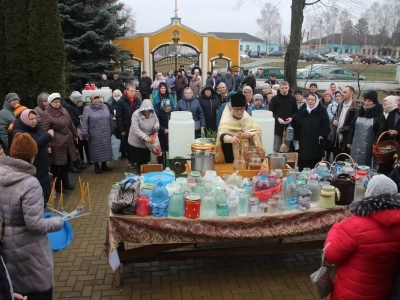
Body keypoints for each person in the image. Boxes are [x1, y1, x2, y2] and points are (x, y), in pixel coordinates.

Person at [0, 132, 64, 299]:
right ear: (33, 154)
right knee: (39, 290)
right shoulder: (30, 182)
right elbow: (34, 224)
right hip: (29, 247)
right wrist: (58, 222)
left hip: (6, 243)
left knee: (15, 288)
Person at [324, 174, 400, 300]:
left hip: (351, 292)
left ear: (369, 193)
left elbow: (331, 255)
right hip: (383, 291)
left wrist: (337, 227)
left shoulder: (354, 225)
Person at [12, 109, 53, 206]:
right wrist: (48, 136)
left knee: (44, 197)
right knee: (36, 201)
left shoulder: (35, 128)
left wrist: (47, 146)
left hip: (42, 167)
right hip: (34, 168)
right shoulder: (20, 133)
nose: (34, 121)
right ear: (25, 119)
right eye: (31, 119)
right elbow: (34, 145)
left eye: (35, 118)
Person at [41, 93, 78, 192]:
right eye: (55, 102)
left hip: (68, 142)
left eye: (58, 101)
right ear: (50, 103)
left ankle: (66, 183)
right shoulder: (46, 114)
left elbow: (70, 123)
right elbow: (45, 130)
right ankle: (58, 186)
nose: (57, 104)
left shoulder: (64, 110)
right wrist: (48, 145)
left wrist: (76, 135)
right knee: (57, 166)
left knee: (66, 165)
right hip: (56, 144)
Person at [215, 93, 262, 164]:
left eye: (242, 109)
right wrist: (230, 138)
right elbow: (221, 133)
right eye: (236, 109)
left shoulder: (247, 118)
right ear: (232, 108)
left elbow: (257, 131)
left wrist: (248, 134)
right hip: (230, 151)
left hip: (246, 152)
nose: (239, 112)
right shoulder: (226, 119)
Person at [347, 90, 386, 167]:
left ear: (374, 102)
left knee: (366, 166)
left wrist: (375, 145)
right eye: (365, 100)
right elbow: (352, 126)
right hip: (355, 144)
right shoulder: (359, 112)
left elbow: (380, 131)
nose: (367, 103)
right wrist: (349, 141)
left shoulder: (379, 116)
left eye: (369, 101)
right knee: (353, 164)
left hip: (369, 146)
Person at [295, 93, 330, 170]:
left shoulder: (322, 109)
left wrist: (322, 134)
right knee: (303, 155)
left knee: (315, 155)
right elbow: (298, 122)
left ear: (316, 101)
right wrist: (297, 136)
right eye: (309, 100)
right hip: (304, 136)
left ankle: (314, 173)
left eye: (312, 100)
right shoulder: (303, 108)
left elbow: (326, 123)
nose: (310, 102)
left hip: (316, 138)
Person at [81, 92, 113, 174]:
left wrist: (111, 129)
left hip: (105, 132)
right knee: (96, 150)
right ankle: (96, 166)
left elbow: (110, 118)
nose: (97, 100)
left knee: (105, 149)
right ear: (91, 100)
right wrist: (85, 134)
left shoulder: (105, 106)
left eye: (98, 98)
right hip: (94, 134)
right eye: (95, 98)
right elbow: (84, 122)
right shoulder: (87, 109)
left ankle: (104, 165)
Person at [128, 99, 159, 170]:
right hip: (137, 141)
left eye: (148, 110)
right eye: (145, 110)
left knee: (146, 158)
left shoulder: (153, 113)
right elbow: (135, 128)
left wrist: (156, 126)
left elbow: (157, 121)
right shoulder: (136, 114)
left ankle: (144, 169)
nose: (147, 112)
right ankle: (140, 170)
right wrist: (144, 136)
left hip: (147, 140)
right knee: (139, 158)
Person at [116, 84, 141, 168]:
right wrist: (122, 129)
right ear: (126, 91)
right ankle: (131, 161)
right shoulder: (121, 102)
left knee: (137, 144)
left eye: (134, 91)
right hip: (127, 127)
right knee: (129, 145)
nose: (133, 93)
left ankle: (137, 160)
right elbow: (119, 116)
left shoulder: (138, 101)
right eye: (131, 91)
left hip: (136, 127)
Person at [269, 81, 298, 152]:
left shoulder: (293, 98)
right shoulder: (275, 99)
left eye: (286, 88)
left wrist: (291, 118)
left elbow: (296, 111)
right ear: (279, 88)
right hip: (277, 127)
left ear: (289, 88)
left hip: (289, 127)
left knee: (286, 148)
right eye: (282, 88)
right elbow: (271, 112)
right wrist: (278, 119)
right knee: (276, 147)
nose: (284, 90)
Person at [332, 86, 359, 159]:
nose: (342, 94)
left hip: (346, 139)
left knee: (345, 160)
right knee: (336, 159)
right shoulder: (340, 104)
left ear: (351, 93)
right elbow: (335, 115)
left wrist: (341, 130)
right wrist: (334, 120)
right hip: (337, 139)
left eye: (345, 92)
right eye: (342, 92)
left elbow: (353, 124)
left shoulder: (355, 108)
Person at [62, 91, 84, 173]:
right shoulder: (68, 107)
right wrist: (79, 120)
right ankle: (72, 166)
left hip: (72, 130)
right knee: (72, 149)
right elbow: (72, 120)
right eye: (78, 101)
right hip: (69, 131)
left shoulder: (71, 105)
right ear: (75, 100)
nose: (80, 103)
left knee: (74, 148)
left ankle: (75, 164)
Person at [154, 98, 173, 166]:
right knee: (161, 150)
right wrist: (163, 129)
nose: (168, 108)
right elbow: (157, 123)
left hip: (170, 134)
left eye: (169, 106)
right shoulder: (158, 112)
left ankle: (168, 164)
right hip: (161, 134)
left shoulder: (171, 112)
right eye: (166, 106)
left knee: (169, 150)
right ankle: (161, 164)